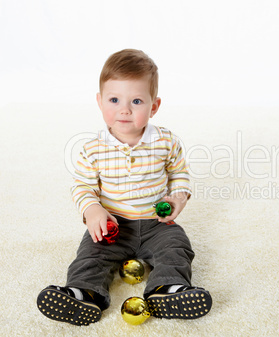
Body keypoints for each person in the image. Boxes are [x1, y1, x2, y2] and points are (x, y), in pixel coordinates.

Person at [37, 49, 212, 326]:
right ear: (99, 101)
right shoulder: (92, 148)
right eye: (114, 99)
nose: (124, 109)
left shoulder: (166, 141)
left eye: (137, 101)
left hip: (156, 222)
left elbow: (179, 172)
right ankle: (83, 293)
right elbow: (82, 185)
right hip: (112, 226)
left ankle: (167, 289)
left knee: (178, 247)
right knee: (90, 255)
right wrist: (92, 210)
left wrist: (177, 198)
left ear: (154, 106)